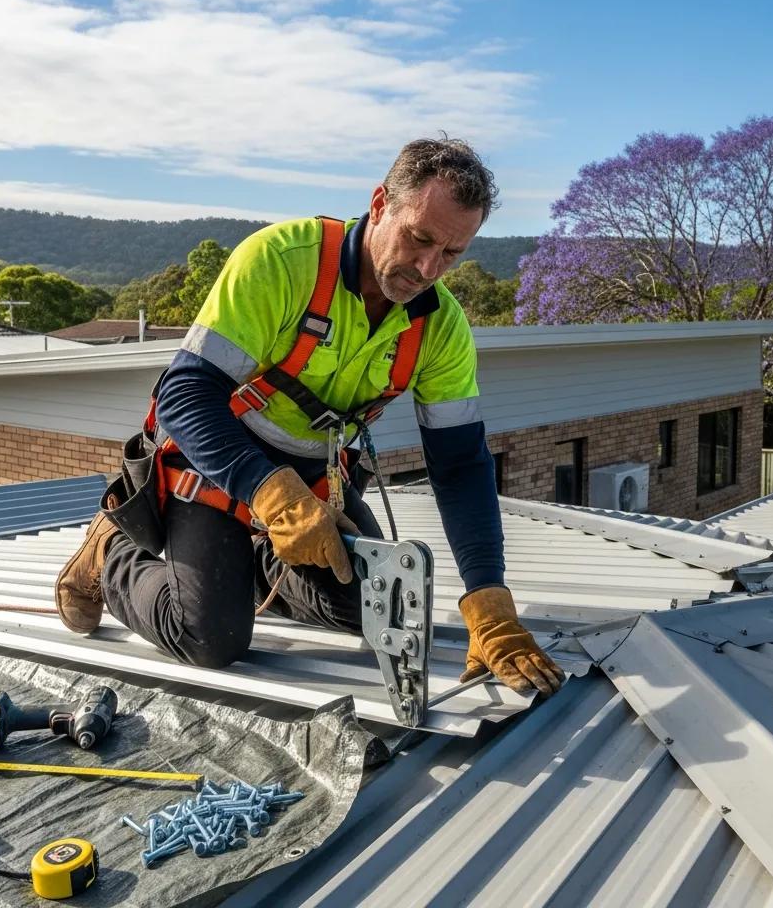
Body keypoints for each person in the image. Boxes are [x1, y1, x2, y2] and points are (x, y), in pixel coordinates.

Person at [55, 137, 564, 697]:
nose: (427, 268)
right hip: (216, 461)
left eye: (451, 254)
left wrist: (488, 595)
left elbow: (460, 464)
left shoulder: (440, 328)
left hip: (315, 480)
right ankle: (111, 553)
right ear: (379, 205)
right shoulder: (281, 263)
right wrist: (274, 498)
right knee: (212, 638)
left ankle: (249, 561)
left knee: (380, 612)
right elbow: (183, 396)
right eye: (419, 239)